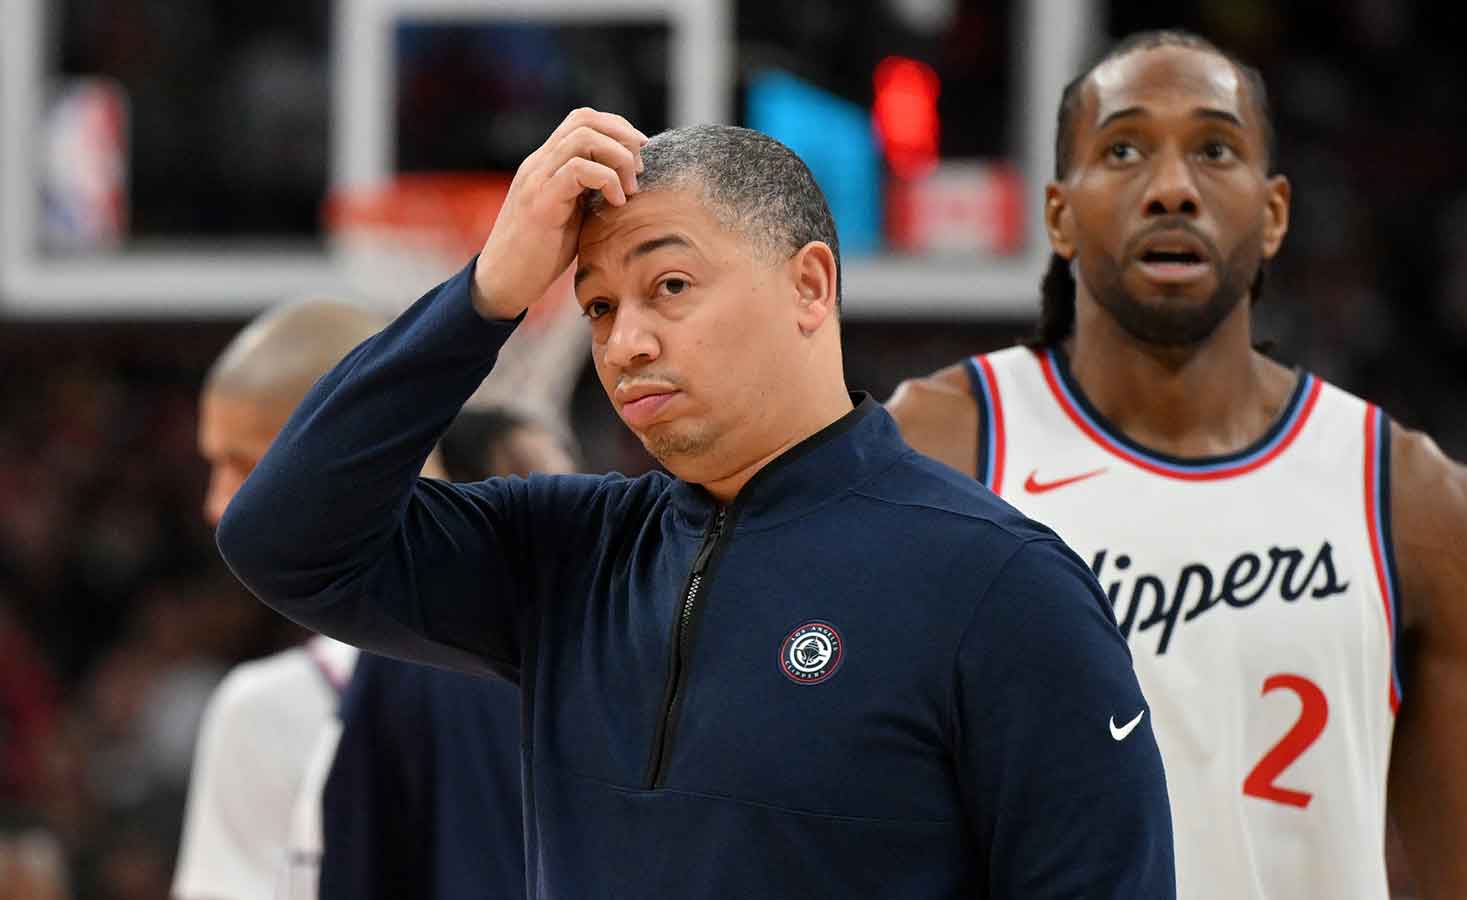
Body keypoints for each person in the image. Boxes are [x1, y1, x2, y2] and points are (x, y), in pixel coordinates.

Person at [216, 111, 1176, 898]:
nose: (625, 341)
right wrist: (486, 295)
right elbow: (283, 539)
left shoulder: (1002, 585)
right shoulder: (566, 557)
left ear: (810, 285)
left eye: (669, 286)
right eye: (597, 306)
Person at [886, 29, 1467, 900]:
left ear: (1273, 214)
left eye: (1214, 149)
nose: (1171, 189)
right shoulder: (939, 453)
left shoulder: (1424, 510)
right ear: (1059, 214)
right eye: (1123, 149)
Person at [313, 407, 581, 900]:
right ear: (470, 509)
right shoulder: (401, 653)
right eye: (537, 479)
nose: (572, 495)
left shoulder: (608, 633)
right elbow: (362, 840)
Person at [173, 299, 392, 900]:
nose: (216, 505)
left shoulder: (554, 653)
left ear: (351, 455)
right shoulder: (269, 707)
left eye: (242, 465)